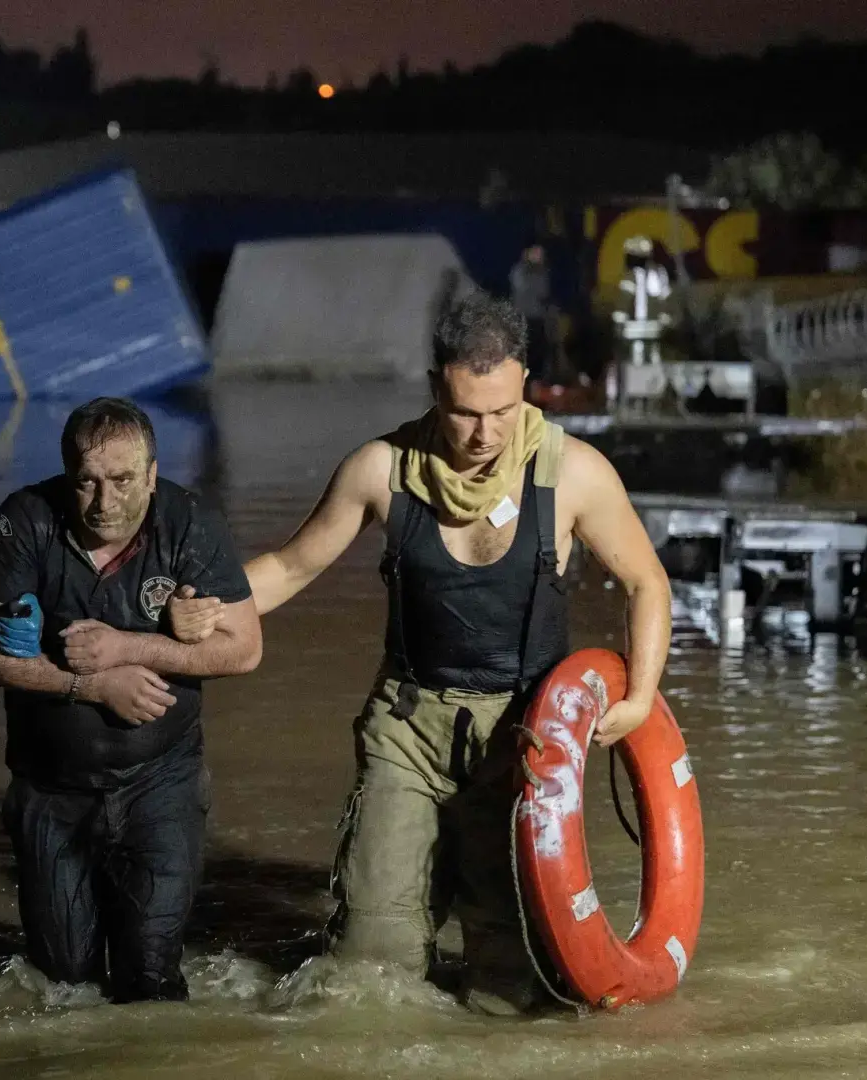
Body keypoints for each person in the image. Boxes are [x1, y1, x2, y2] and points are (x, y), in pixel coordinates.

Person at [168, 295, 671, 1015]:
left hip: (522, 741)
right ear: (437, 386)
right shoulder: (380, 469)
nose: (484, 432)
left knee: (510, 976)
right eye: (466, 411)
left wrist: (641, 697)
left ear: (524, 382)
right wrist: (204, 607)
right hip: (406, 729)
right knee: (371, 968)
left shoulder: (576, 474)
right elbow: (290, 568)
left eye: (501, 410)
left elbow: (646, 582)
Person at [0, 397, 262, 1003]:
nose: (105, 502)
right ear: (67, 475)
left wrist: (128, 647)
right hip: (51, 788)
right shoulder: (27, 520)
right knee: (62, 985)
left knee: (150, 980)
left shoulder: (190, 524)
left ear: (152, 475)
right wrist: (89, 685)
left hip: (161, 784)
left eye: (123, 480)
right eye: (87, 483)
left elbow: (245, 649)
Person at [509, 243, 555, 386]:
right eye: (535, 253)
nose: (538, 257)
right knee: (523, 354)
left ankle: (538, 383)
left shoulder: (543, 274)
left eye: (540, 254)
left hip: (538, 320)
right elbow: (522, 289)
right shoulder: (518, 272)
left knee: (539, 355)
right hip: (523, 320)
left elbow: (543, 295)